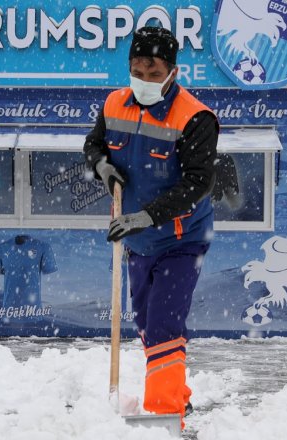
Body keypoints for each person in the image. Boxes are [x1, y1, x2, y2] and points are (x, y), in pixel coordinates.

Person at [83, 26, 219, 425]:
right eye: (137, 70)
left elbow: (199, 182)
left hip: (182, 238)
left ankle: (165, 414)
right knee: (146, 323)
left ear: (173, 72)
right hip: (136, 240)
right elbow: (94, 145)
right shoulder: (114, 103)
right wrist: (103, 167)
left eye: (153, 71)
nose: (143, 79)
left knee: (163, 324)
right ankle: (177, 392)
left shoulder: (194, 117)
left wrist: (146, 217)